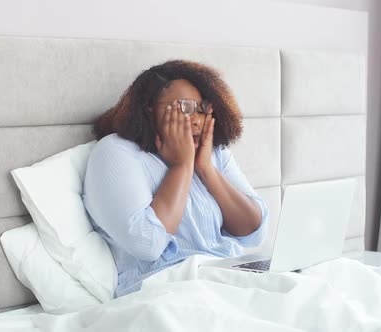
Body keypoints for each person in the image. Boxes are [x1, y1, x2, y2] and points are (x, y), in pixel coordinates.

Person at [82, 60, 269, 297]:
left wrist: (206, 170)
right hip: (166, 288)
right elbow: (148, 243)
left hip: (229, 274)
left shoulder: (213, 154)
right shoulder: (115, 152)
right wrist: (182, 167)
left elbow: (254, 231)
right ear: (149, 107)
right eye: (185, 107)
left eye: (202, 108)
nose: (196, 119)